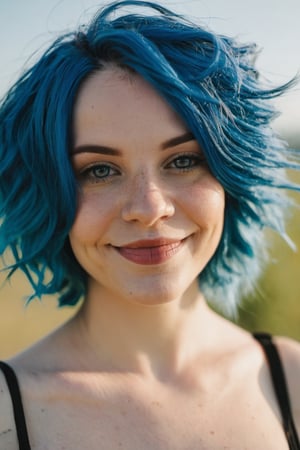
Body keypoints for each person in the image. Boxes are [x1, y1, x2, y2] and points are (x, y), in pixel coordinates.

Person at [0, 1, 299, 448]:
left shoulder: (294, 384)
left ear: (231, 178)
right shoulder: (7, 412)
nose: (149, 207)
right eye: (99, 170)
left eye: (183, 160)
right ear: (49, 194)